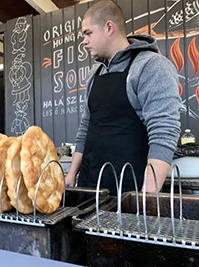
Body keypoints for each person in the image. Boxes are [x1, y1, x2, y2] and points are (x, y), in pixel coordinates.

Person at [65, 0, 182, 195]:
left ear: (109, 27)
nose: (84, 41)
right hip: (90, 187)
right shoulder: (95, 74)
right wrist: (71, 175)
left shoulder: (150, 66)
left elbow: (164, 131)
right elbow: (85, 128)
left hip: (129, 192)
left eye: (88, 33)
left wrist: (148, 196)